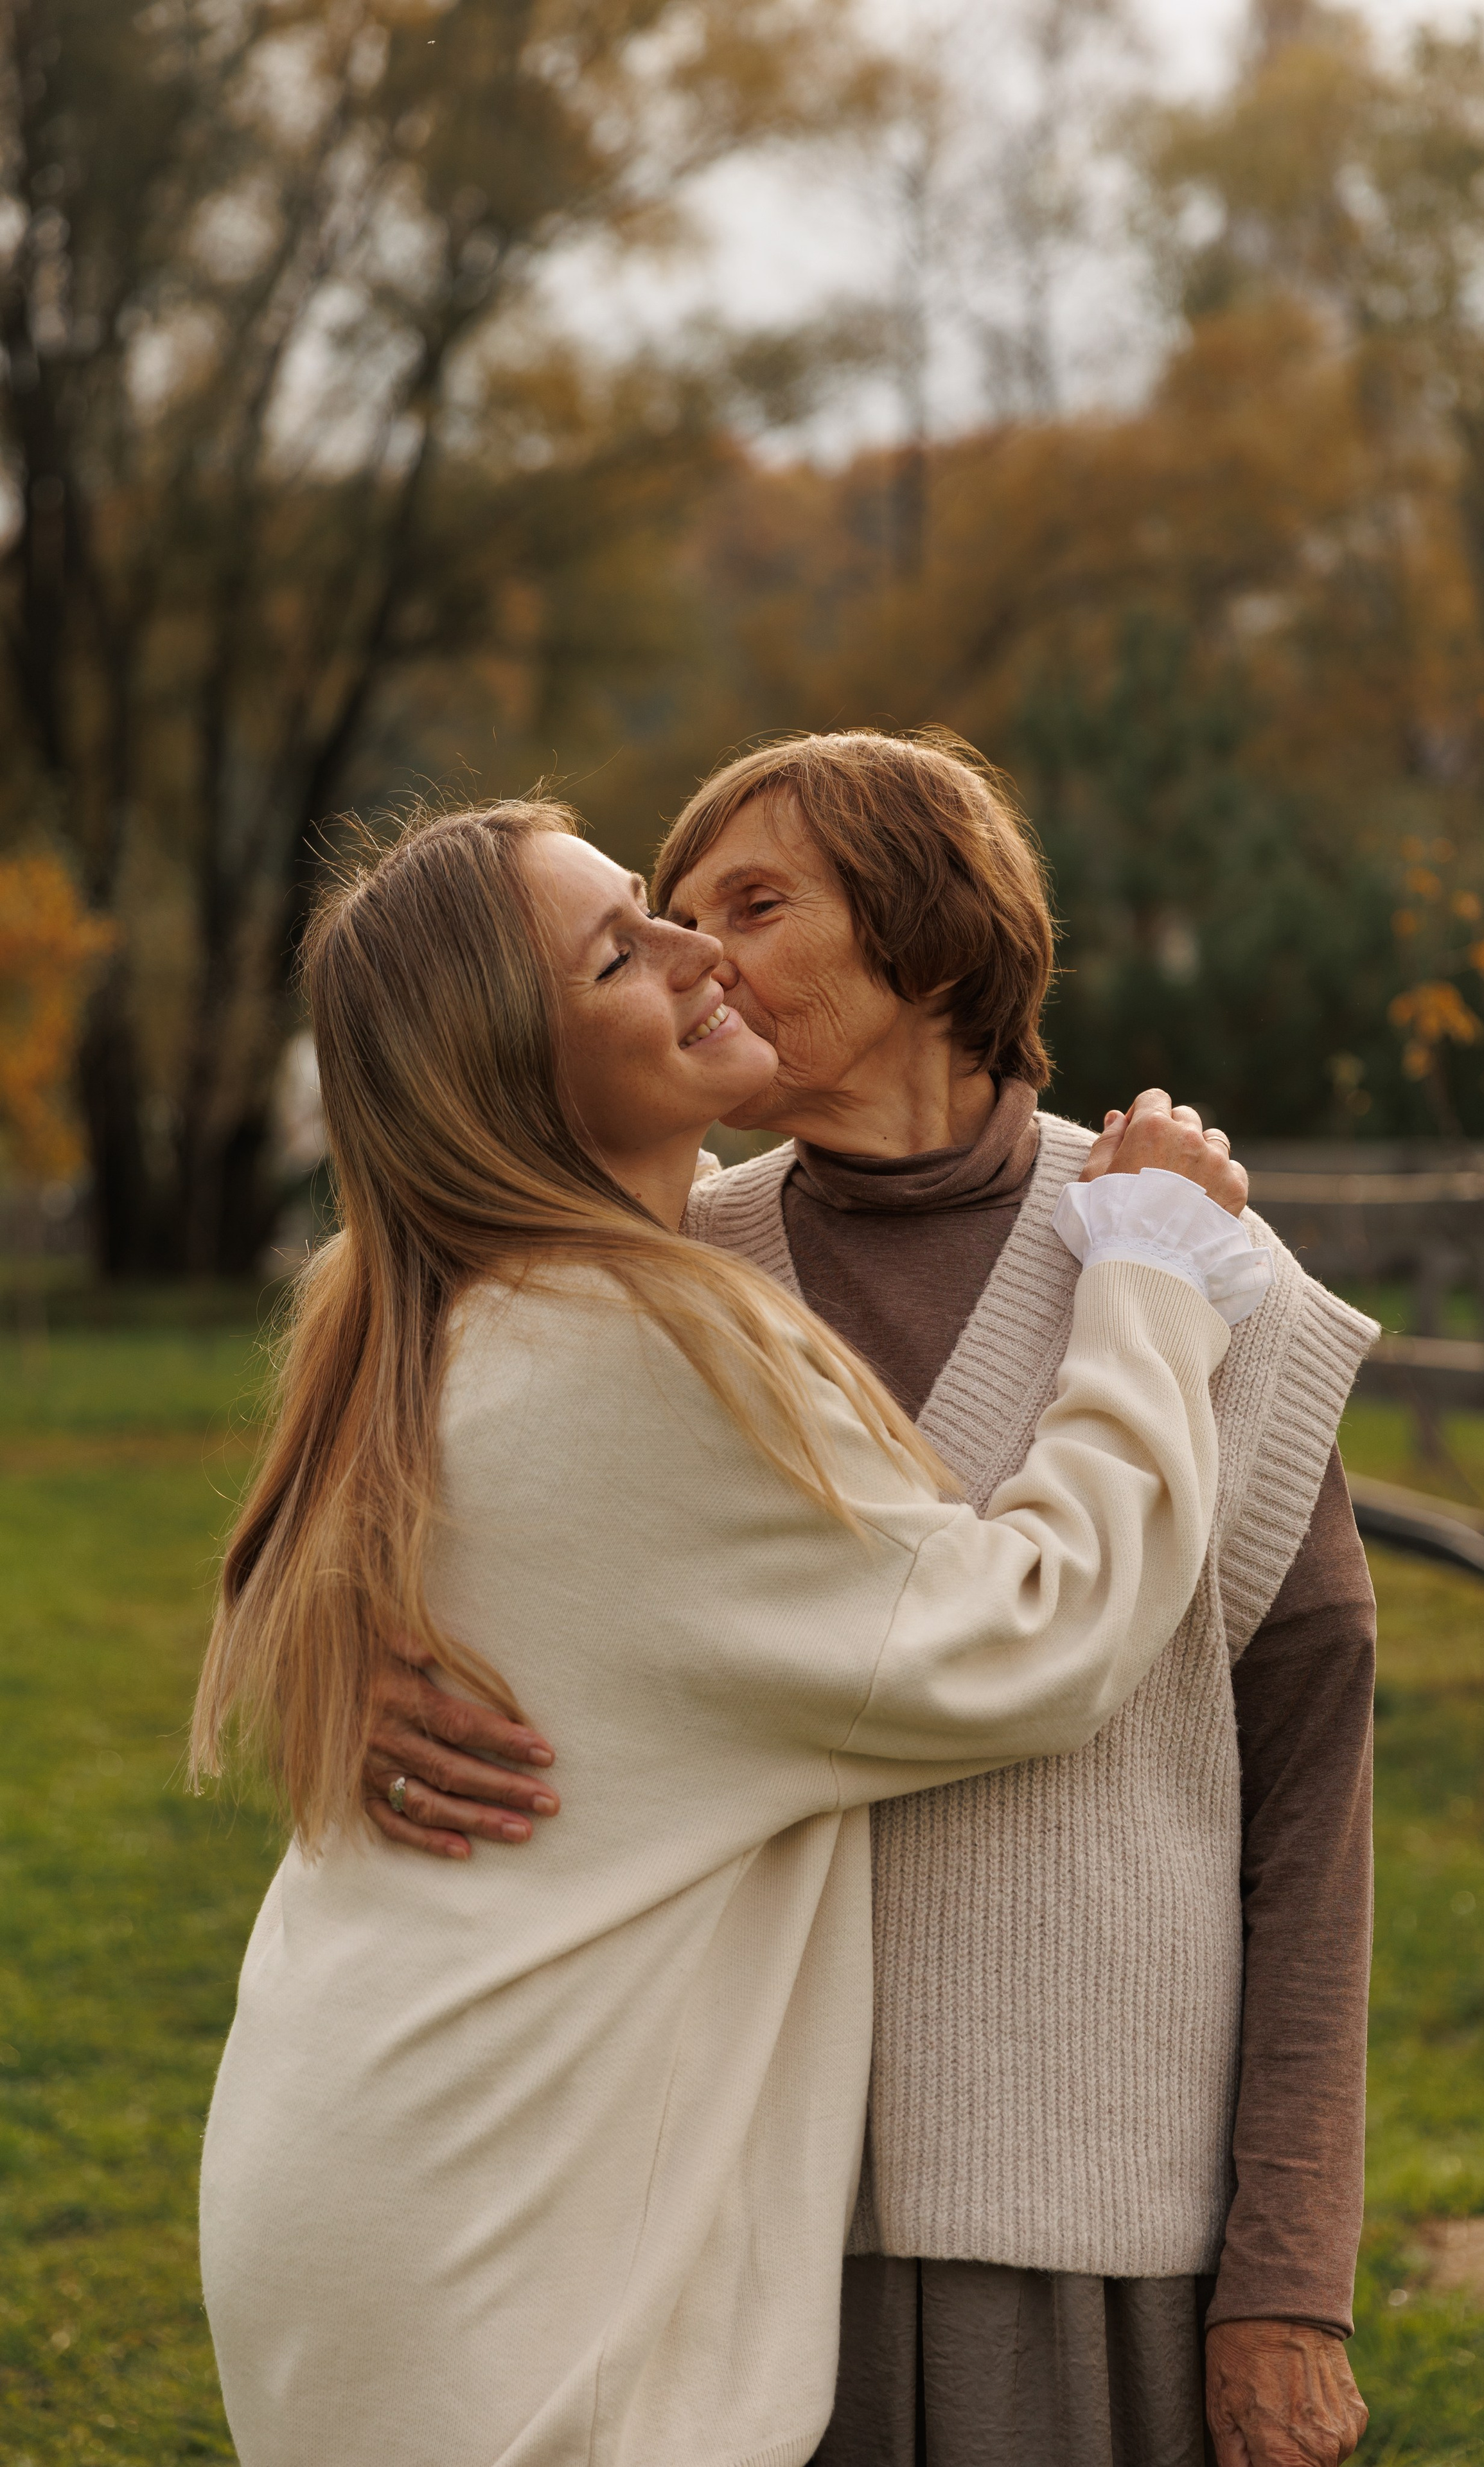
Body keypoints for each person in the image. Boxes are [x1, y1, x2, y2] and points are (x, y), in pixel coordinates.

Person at [193, 796, 1262, 2467]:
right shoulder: (641, 1359)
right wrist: (1153, 1281)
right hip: (511, 2230)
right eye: (628, 946)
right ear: (515, 1067)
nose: (704, 952)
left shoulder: (476, 1309)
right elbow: (1032, 1636)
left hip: (381, 2150)